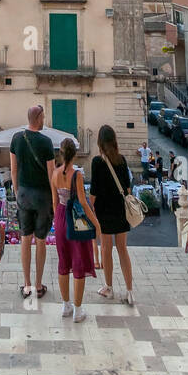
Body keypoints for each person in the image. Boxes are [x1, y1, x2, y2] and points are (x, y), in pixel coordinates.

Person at [9, 105, 55, 298]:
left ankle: (26, 284)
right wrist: (54, 201)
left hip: (24, 195)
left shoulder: (17, 139)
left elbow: (13, 170)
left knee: (25, 239)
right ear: (37, 117)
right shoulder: (46, 142)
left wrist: (19, 191)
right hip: (43, 196)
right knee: (41, 240)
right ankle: (38, 285)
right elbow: (52, 174)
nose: (44, 120)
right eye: (43, 116)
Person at [51, 137, 99, 322]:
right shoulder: (76, 175)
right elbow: (83, 203)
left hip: (61, 218)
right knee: (79, 262)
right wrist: (96, 223)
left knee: (63, 262)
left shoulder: (54, 174)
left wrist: (58, 221)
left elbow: (55, 202)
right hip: (75, 220)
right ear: (75, 154)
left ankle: (66, 306)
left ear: (61, 153)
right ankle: (78, 311)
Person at [90, 125, 135, 305]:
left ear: (100, 142)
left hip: (104, 211)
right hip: (121, 211)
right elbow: (128, 188)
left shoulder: (97, 162)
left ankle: (108, 287)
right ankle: (130, 291)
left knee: (106, 249)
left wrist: (90, 209)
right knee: (122, 249)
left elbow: (93, 192)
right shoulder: (121, 160)